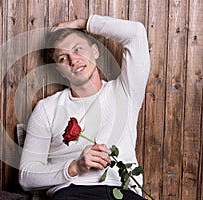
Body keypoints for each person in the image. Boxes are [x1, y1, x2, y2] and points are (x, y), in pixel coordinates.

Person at [19, 14, 150, 200]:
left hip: (123, 192)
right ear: (59, 71)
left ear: (95, 51)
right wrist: (74, 168)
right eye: (63, 58)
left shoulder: (125, 92)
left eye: (78, 49)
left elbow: (136, 33)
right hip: (72, 192)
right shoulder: (47, 109)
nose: (73, 60)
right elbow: (26, 176)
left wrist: (83, 23)